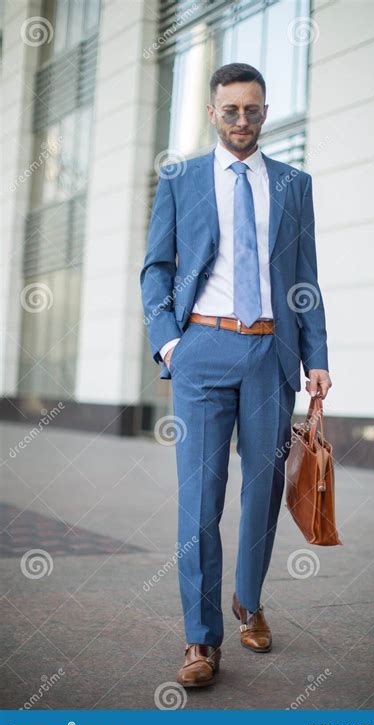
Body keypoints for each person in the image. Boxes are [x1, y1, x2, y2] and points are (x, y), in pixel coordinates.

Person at [140, 63, 332, 688]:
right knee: (200, 499)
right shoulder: (181, 178)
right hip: (201, 350)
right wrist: (170, 344)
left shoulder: (293, 185)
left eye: (252, 110)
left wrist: (316, 357)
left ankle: (248, 601)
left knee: (262, 490)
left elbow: (304, 277)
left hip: (269, 354)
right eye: (231, 111)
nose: (242, 122)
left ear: (265, 111)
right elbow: (156, 268)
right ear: (212, 113)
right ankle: (200, 639)